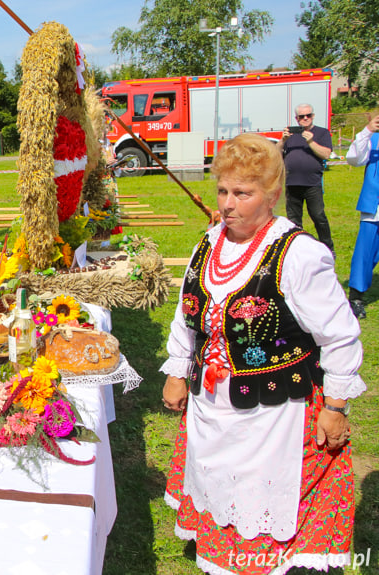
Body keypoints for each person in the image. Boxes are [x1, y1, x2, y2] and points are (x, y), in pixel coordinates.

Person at [161, 133, 364, 575]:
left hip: (274, 411)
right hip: (211, 402)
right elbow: (187, 313)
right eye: (223, 191)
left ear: (272, 195)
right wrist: (178, 370)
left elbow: (341, 336)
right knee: (218, 487)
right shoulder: (209, 243)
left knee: (260, 496)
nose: (229, 203)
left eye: (242, 193)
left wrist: (335, 405)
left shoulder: (299, 255)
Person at [276, 103, 335, 254]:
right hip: (292, 183)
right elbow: (275, 155)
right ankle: (296, 250)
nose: (305, 119)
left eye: (308, 115)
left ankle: (327, 247)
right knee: (293, 220)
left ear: (313, 116)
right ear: (297, 119)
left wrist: (310, 141)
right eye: (302, 117)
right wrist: (282, 140)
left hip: (312, 183)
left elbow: (326, 154)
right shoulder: (290, 136)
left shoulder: (322, 133)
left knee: (318, 216)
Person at [345, 112, 379, 320]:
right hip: (374, 205)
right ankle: (356, 297)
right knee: (365, 254)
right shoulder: (372, 137)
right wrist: (368, 130)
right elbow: (354, 158)